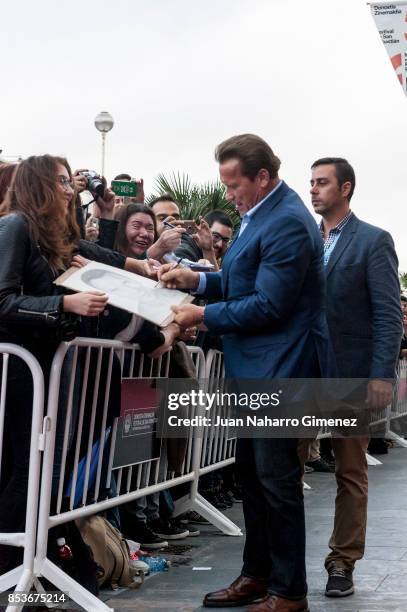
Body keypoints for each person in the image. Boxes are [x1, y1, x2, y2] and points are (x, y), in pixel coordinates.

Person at [158, 134, 332, 612]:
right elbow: (243, 280)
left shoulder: (289, 222)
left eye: (235, 184)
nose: (229, 195)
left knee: (276, 482)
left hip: (280, 369)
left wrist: (203, 315)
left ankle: (289, 590)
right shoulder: (262, 215)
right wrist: (197, 280)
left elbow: (270, 304)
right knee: (253, 478)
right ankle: (257, 575)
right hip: (257, 366)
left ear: (262, 176)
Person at [0, 155, 109, 573]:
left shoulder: (49, 238)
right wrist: (64, 301)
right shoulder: (15, 226)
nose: (70, 189)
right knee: (28, 473)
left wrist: (76, 282)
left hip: (47, 369)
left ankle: (24, 569)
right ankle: (14, 570)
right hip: (22, 373)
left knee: (45, 473)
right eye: (62, 181)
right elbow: (4, 300)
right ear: (40, 184)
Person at [309, 157, 403, 597]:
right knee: (282, 469)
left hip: (349, 376)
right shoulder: (305, 240)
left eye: (322, 183)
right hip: (302, 375)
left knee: (349, 470)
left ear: (345, 188)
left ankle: (342, 561)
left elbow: (388, 315)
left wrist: (381, 375)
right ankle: (278, 564)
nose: (313, 190)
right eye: (310, 183)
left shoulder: (372, 241)